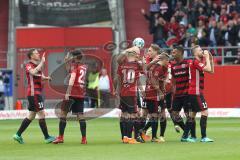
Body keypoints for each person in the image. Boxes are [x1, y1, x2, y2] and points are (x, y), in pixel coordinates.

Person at [13, 49, 55, 144]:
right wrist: (42, 62)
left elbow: (40, 76)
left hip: (36, 93)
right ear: (31, 56)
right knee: (41, 114)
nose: (38, 54)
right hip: (34, 93)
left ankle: (18, 135)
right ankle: (47, 137)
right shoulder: (29, 65)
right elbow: (32, 72)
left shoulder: (37, 66)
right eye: (36, 53)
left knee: (31, 115)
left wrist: (47, 78)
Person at [53, 50, 88, 144]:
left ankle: (60, 137)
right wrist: (66, 62)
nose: (70, 57)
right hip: (80, 94)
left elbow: (72, 78)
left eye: (71, 56)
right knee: (80, 115)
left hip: (72, 93)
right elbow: (70, 71)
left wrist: (68, 92)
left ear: (75, 57)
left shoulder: (75, 65)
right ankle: (84, 139)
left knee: (63, 114)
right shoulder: (84, 66)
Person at [181, 45, 214, 143]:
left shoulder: (198, 62)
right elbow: (208, 69)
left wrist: (210, 60)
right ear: (195, 53)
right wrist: (207, 58)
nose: (202, 51)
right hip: (196, 92)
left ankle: (185, 136)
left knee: (192, 115)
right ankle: (204, 137)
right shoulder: (195, 62)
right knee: (205, 112)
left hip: (194, 92)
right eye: (200, 50)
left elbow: (212, 71)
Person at [140, 44, 168, 143]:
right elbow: (150, 76)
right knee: (151, 114)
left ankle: (156, 135)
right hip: (153, 93)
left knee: (158, 114)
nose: (148, 52)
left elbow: (163, 76)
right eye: (148, 51)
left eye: (150, 51)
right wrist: (160, 91)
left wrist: (163, 85)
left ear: (156, 52)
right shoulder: (152, 63)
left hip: (153, 92)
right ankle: (144, 134)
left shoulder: (161, 63)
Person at [116, 50, 143, 144]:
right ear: (135, 56)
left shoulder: (121, 65)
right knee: (133, 115)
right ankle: (130, 138)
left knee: (125, 115)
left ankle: (125, 137)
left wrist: (118, 91)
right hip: (131, 94)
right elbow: (144, 72)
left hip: (123, 93)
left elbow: (118, 79)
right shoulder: (136, 66)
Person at [170, 46, 196, 140]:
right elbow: (173, 80)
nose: (172, 54)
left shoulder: (188, 63)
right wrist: (173, 89)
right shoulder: (173, 66)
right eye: (172, 52)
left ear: (180, 53)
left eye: (174, 52)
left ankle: (193, 135)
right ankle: (186, 130)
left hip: (187, 94)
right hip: (177, 94)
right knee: (174, 114)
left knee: (189, 115)